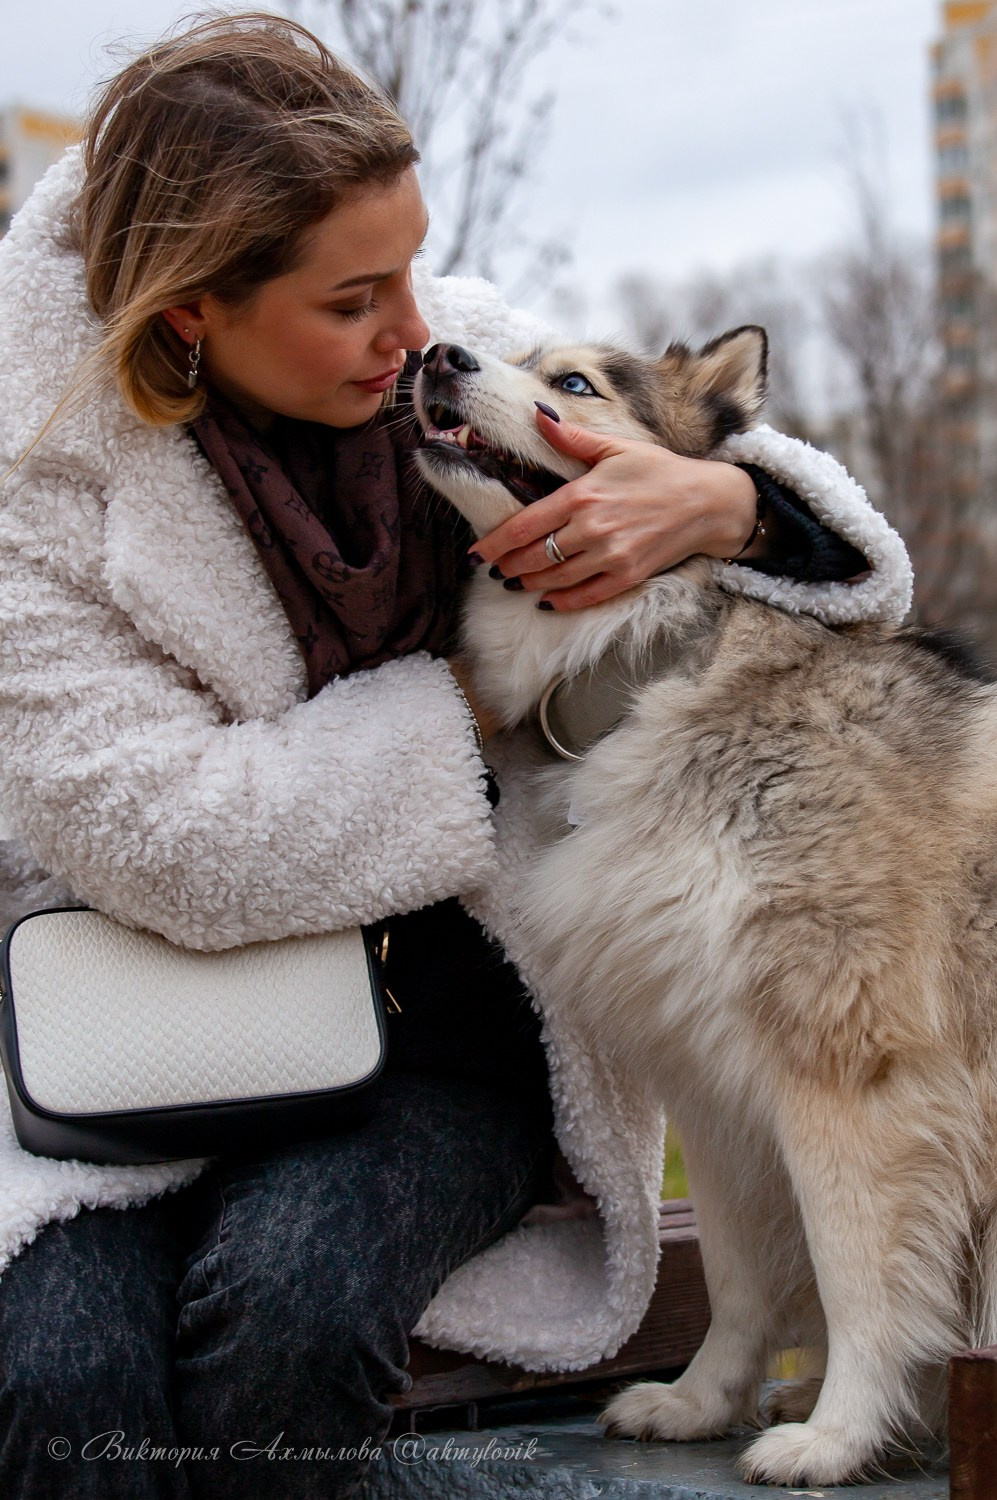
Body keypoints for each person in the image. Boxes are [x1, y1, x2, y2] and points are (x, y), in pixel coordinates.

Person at [0, 13, 913, 1499]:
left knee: (286, 1312)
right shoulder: (34, 492)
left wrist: (723, 512)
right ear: (190, 318)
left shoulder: (423, 356)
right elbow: (172, 842)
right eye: (359, 295)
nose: (417, 330)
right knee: (59, 1375)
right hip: (135, 1039)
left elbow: (849, 567)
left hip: (445, 1031)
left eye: (416, 267)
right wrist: (474, 718)